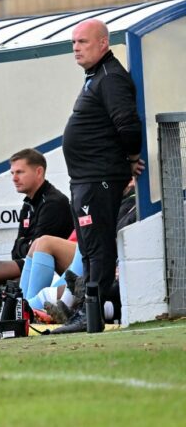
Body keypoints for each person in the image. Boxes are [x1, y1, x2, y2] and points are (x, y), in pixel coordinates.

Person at [54, 18, 144, 334]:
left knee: (98, 248)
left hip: (98, 180)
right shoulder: (95, 75)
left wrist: (130, 159)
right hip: (86, 179)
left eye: (83, 42)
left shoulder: (110, 78)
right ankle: (85, 311)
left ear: (103, 43)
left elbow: (129, 126)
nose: (76, 48)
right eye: (74, 43)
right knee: (90, 248)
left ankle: (90, 315)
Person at [0, 149, 74, 292]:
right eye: (12, 173)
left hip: (54, 269)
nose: (14, 178)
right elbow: (16, 252)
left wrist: (23, 243)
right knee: (1, 283)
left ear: (38, 172)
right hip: (33, 264)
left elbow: (36, 251)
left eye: (19, 172)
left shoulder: (54, 203)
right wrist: (24, 243)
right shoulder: (28, 203)